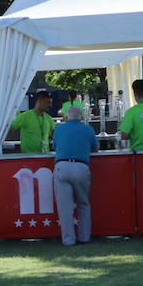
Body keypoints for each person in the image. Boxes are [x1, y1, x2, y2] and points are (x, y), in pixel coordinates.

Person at [51, 105, 96, 246]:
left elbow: (55, 146)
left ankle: (68, 239)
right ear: (81, 116)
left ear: (66, 116)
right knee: (83, 203)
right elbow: (94, 147)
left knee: (65, 207)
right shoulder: (88, 129)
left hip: (62, 166)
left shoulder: (59, 129)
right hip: (81, 166)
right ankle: (84, 237)